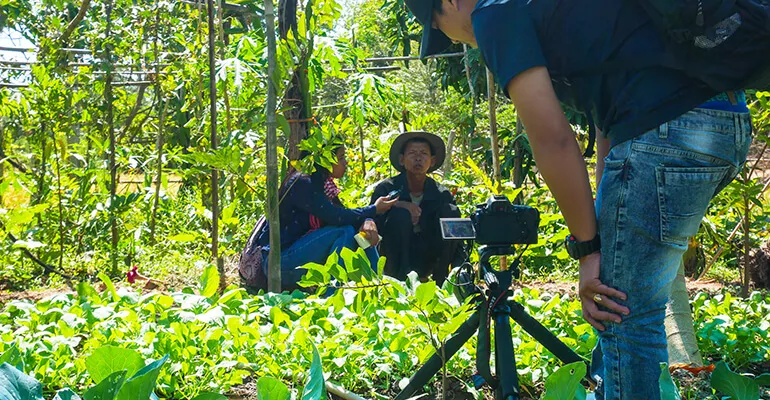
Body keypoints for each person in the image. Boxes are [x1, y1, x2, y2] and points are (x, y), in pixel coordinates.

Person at [404, 0, 755, 398]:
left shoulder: (493, 12)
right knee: (619, 302)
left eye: (438, 25)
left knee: (624, 316)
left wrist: (587, 252)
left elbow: (553, 140)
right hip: (723, 125)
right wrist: (600, 238)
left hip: (666, 133)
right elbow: (609, 123)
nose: (452, 37)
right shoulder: (555, 11)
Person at [256, 143, 397, 292]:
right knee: (345, 232)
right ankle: (331, 296)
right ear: (326, 159)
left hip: (301, 255)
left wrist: (367, 221)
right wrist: (373, 209)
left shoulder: (322, 184)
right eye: (341, 157)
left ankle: (378, 288)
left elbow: (345, 215)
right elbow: (336, 216)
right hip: (280, 263)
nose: (346, 163)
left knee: (361, 236)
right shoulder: (302, 182)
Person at [370, 131, 463, 286]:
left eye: (424, 154)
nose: (418, 158)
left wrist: (460, 270)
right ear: (402, 159)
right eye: (412, 153)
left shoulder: (442, 194)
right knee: (400, 215)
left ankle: (443, 282)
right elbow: (372, 221)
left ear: (432, 161)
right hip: (395, 256)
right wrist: (399, 206)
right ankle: (399, 282)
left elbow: (457, 238)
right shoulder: (386, 189)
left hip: (428, 255)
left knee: (450, 212)